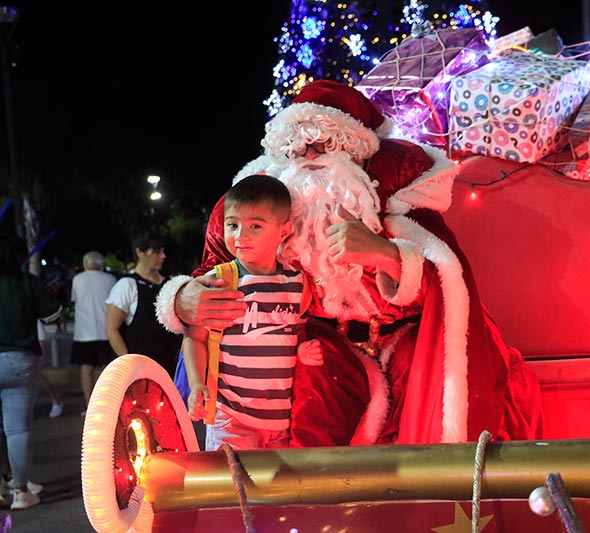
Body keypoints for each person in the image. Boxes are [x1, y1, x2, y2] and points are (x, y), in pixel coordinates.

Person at [156, 79, 542, 447]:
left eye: (324, 143)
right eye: (297, 146)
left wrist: (385, 253)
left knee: (433, 391)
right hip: (320, 348)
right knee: (313, 395)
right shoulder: (264, 212)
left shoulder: (397, 201)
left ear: (355, 150)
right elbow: (214, 270)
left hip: (404, 342)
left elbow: (448, 278)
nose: (309, 156)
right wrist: (182, 299)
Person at [183, 175, 323, 451]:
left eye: (255, 226)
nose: (240, 236)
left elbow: (294, 330)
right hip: (231, 418)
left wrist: (302, 350)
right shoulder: (220, 280)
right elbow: (194, 337)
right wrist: (197, 383)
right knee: (231, 479)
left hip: (280, 421)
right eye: (233, 225)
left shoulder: (297, 283)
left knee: (274, 481)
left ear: (284, 231)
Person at [0, 229, 62, 509]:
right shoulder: (26, 282)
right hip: (20, 360)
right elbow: (52, 314)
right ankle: (20, 492)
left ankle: (2, 484)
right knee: (17, 429)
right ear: (19, 256)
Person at [106, 230, 182, 377]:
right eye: (156, 251)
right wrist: (129, 363)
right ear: (140, 252)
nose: (163, 256)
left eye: (163, 251)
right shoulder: (127, 285)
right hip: (141, 371)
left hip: (172, 368)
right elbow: (111, 328)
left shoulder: (169, 283)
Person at [70, 251, 118, 413]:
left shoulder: (77, 279)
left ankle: (89, 406)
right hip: (106, 331)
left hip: (84, 332)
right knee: (105, 369)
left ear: (85, 263)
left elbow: (74, 299)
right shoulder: (110, 279)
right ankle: (105, 405)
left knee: (86, 368)